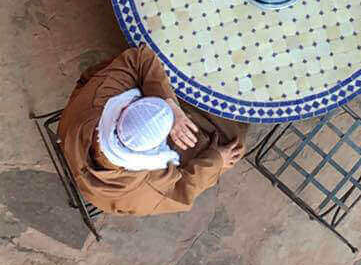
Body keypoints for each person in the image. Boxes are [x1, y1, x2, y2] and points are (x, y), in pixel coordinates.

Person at [58, 45, 248, 216]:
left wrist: (170, 105)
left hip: (74, 141)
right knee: (232, 144)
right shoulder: (146, 189)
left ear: (124, 109)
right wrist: (216, 160)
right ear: (161, 143)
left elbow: (139, 57)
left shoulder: (103, 99)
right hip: (114, 188)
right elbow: (181, 192)